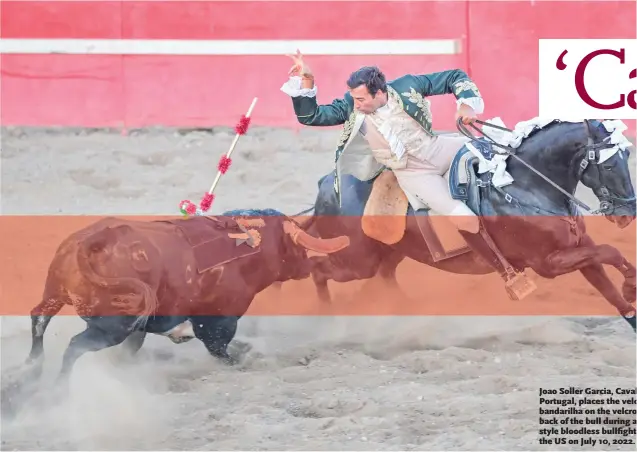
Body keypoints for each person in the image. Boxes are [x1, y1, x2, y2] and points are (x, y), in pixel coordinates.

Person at [280, 50, 533, 300]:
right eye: (354, 99)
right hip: (413, 172)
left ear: (379, 93)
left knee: (504, 153)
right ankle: (508, 272)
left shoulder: (407, 86)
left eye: (361, 99)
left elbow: (454, 77)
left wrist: (466, 105)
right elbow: (311, 116)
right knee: (465, 218)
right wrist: (307, 82)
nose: (356, 104)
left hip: (439, 148)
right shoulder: (352, 107)